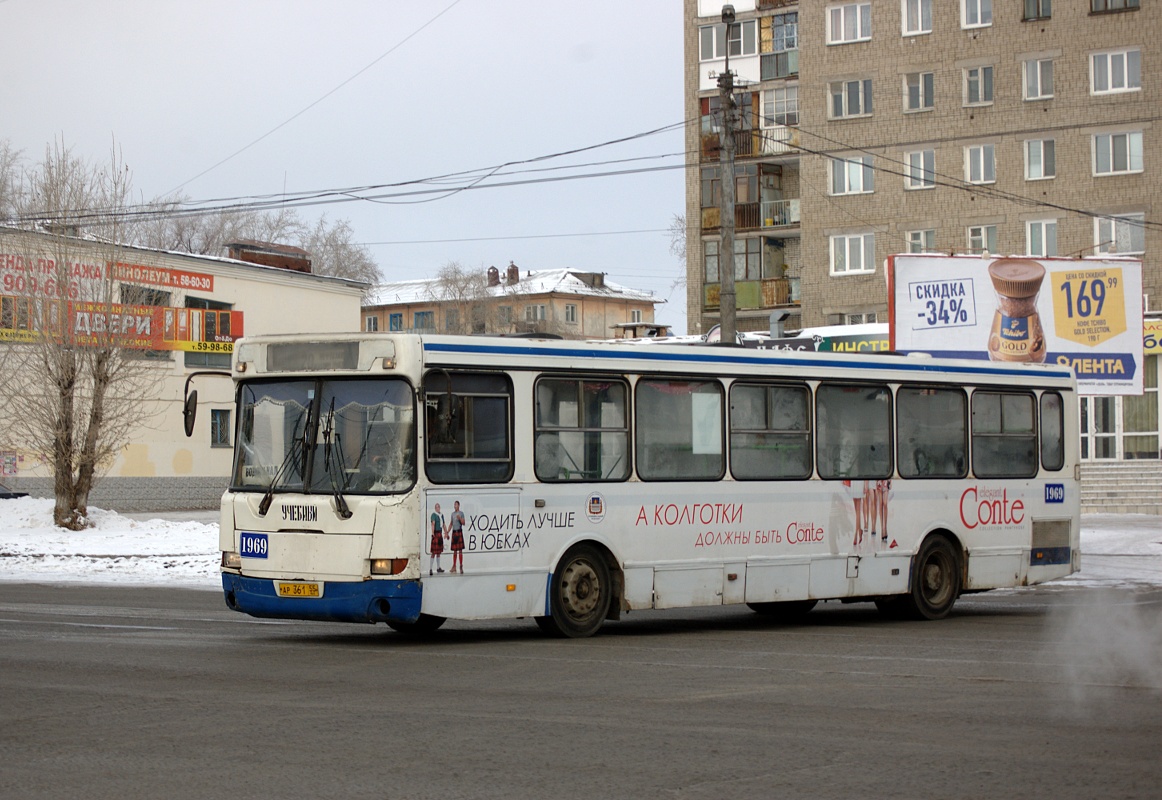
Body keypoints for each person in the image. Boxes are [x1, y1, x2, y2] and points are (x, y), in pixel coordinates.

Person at [449, 500, 466, 574]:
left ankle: (461, 566)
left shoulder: (461, 513)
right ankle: (454, 566)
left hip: (459, 531)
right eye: (454, 505)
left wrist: (459, 518)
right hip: (454, 532)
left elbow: (464, 523)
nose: (455, 506)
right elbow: (451, 524)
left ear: (458, 505)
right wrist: (447, 532)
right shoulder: (452, 514)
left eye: (456, 505)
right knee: (455, 551)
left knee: (460, 551)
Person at [429, 503, 446, 575]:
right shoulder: (433, 515)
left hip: (440, 533)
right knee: (433, 553)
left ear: (440, 508)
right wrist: (432, 533)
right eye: (436, 507)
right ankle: (430, 569)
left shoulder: (441, 515)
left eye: (438, 507)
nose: (437, 508)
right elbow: (433, 524)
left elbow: (444, 525)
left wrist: (446, 533)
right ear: (435, 508)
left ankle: (438, 568)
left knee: (438, 552)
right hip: (435, 534)